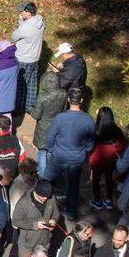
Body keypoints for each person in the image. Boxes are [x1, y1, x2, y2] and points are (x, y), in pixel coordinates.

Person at [47, 87, 96, 216]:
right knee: (73, 186)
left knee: (48, 180)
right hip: (77, 158)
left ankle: (43, 204)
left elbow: (50, 137)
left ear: (68, 100)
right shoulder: (88, 119)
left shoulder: (60, 118)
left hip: (59, 155)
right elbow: (91, 142)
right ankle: (71, 212)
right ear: (81, 100)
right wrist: (86, 152)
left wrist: (51, 149)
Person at [90, 107, 128, 210]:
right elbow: (123, 144)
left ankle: (97, 200)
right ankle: (109, 200)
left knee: (95, 181)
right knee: (109, 179)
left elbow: (90, 144)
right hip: (111, 160)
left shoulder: (95, 129)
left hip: (97, 160)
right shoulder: (116, 131)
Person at [31, 72, 67, 175]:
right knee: (51, 152)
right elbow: (64, 111)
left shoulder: (42, 97)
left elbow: (36, 115)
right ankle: (52, 175)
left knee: (42, 152)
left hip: (43, 128)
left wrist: (30, 109)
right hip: (56, 126)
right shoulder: (64, 94)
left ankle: (42, 176)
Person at [13, 179, 60, 257]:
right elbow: (16, 221)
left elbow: (56, 213)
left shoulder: (51, 198)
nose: (45, 199)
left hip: (45, 242)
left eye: (47, 196)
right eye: (42, 196)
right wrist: (35, 225)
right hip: (28, 244)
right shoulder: (23, 203)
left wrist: (54, 220)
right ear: (35, 191)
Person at [12, 1, 46, 111]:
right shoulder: (40, 22)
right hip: (35, 58)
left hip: (23, 59)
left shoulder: (25, 27)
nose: (20, 13)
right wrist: (23, 21)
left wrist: (21, 21)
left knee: (20, 84)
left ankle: (17, 108)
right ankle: (30, 106)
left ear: (28, 12)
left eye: (22, 12)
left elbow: (14, 36)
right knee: (32, 83)